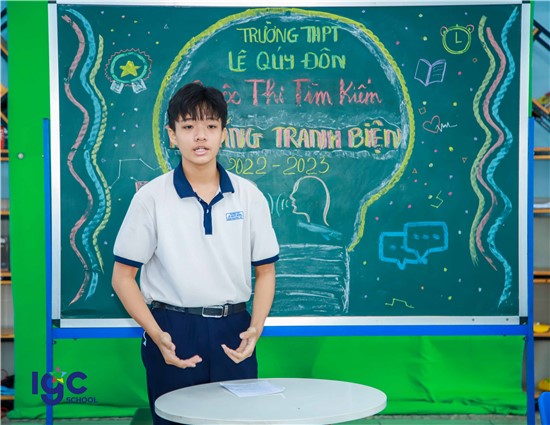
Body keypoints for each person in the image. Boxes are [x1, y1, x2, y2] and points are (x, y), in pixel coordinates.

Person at [112, 82, 279, 424]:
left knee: (237, 420)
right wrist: (157, 334)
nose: (200, 136)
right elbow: (122, 277)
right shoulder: (151, 198)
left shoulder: (249, 195)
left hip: (233, 329)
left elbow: (265, 271)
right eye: (188, 126)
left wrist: (256, 328)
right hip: (173, 329)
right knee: (175, 419)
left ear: (223, 134)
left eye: (211, 126)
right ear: (172, 135)